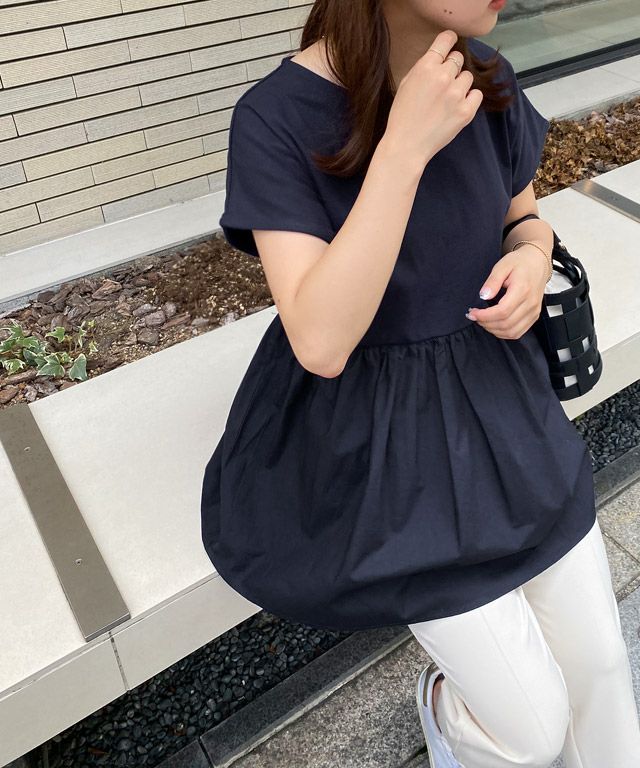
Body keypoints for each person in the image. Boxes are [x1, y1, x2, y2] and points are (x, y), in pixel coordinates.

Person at [200, 1, 640, 765]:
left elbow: (524, 219)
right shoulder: (277, 117)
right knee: (531, 730)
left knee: (602, 669)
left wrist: (531, 257)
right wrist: (402, 148)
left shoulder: (483, 74)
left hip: (505, 412)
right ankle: (443, 709)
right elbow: (321, 341)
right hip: (390, 456)